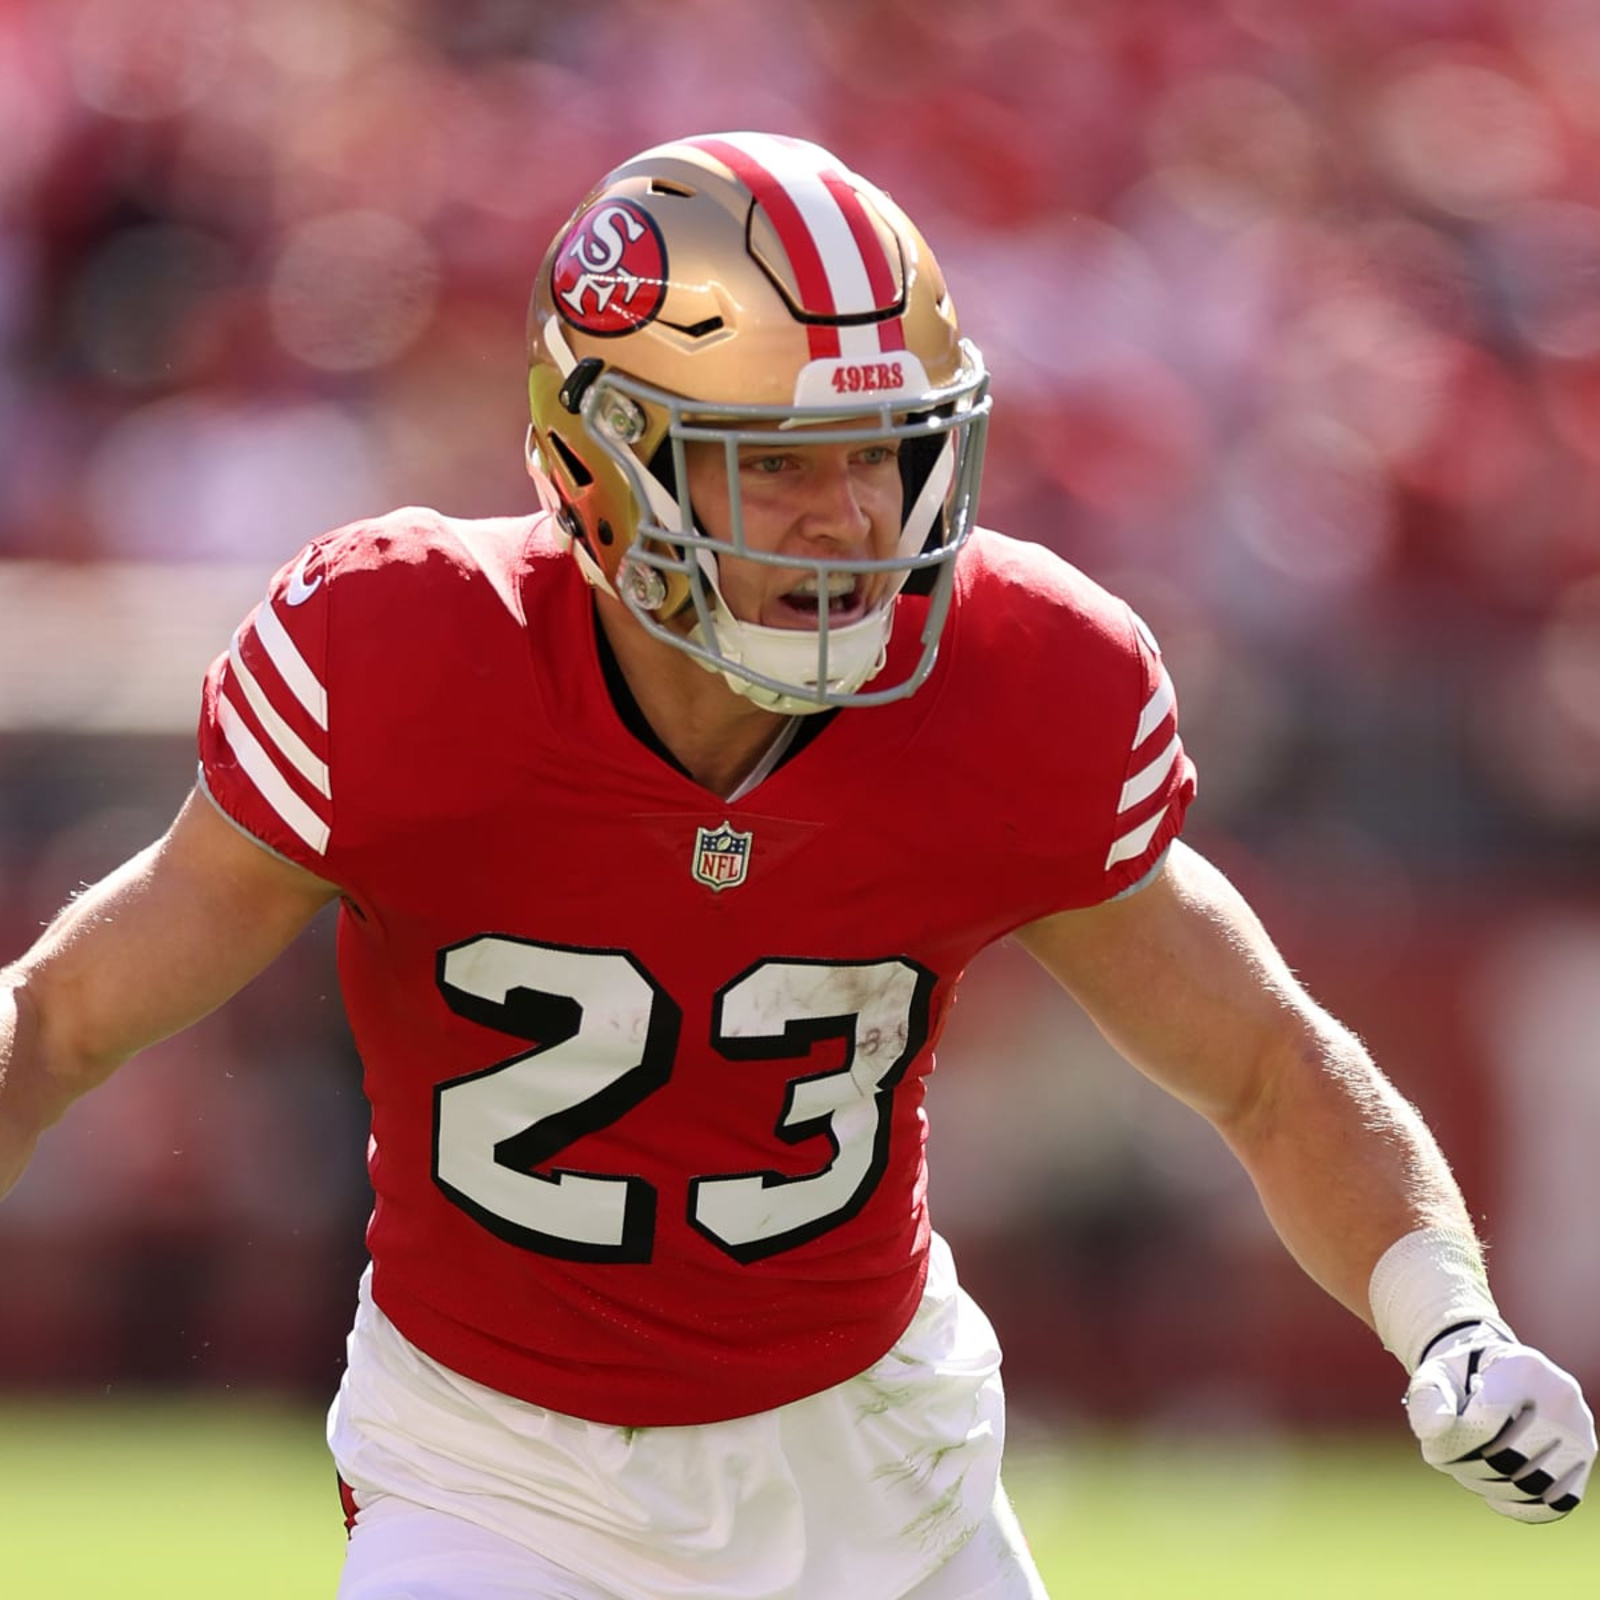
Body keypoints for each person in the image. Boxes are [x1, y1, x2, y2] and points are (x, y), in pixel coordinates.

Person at [0, 130, 1593, 1599]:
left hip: (883, 1459)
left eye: (882, 451)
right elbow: (65, 1021)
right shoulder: (406, 654)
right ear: (600, 463)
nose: (845, 520)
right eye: (772, 461)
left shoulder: (1018, 680)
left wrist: (1445, 1316)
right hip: (494, 1469)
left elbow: (1261, 1062)